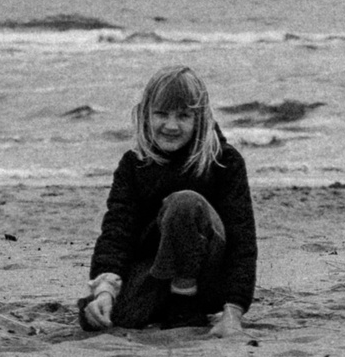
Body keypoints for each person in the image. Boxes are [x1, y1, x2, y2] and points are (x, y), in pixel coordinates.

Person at [81, 65, 256, 337]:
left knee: (184, 203)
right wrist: (105, 289)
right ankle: (167, 302)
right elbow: (117, 231)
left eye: (184, 116)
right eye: (161, 114)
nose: (171, 125)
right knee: (110, 317)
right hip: (158, 272)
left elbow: (242, 242)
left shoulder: (225, 162)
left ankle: (184, 301)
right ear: (145, 114)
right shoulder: (133, 165)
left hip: (207, 279)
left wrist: (234, 311)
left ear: (200, 119)